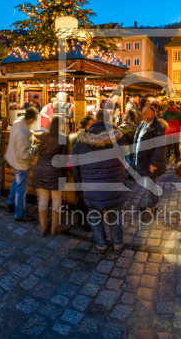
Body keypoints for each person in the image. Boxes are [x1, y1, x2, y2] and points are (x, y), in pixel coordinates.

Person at [71, 110, 127, 256]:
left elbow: (75, 166)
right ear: (109, 121)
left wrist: (80, 185)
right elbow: (124, 163)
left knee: (95, 218)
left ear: (95, 121)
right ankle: (117, 243)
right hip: (113, 185)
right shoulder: (119, 139)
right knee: (114, 216)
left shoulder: (81, 141)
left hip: (91, 186)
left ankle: (101, 245)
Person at [31, 116, 70, 235]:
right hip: (54, 172)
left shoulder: (43, 136)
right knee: (56, 199)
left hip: (40, 170)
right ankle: (54, 227)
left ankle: (43, 227)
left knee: (42, 199)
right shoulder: (64, 138)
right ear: (61, 126)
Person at [133, 106, 168, 220]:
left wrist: (154, 163)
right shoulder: (143, 124)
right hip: (143, 159)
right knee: (149, 184)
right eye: (142, 113)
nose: (142, 115)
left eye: (145, 113)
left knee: (149, 185)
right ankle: (154, 205)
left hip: (149, 161)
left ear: (153, 114)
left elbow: (160, 147)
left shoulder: (157, 128)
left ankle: (150, 208)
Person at [4, 108, 38, 222]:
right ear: (32, 118)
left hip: (13, 159)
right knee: (21, 190)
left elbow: (28, 133)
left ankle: (10, 202)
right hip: (20, 163)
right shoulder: (23, 134)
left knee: (17, 182)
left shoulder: (18, 122)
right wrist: (36, 147)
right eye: (34, 120)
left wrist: (33, 138)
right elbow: (24, 155)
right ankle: (19, 214)